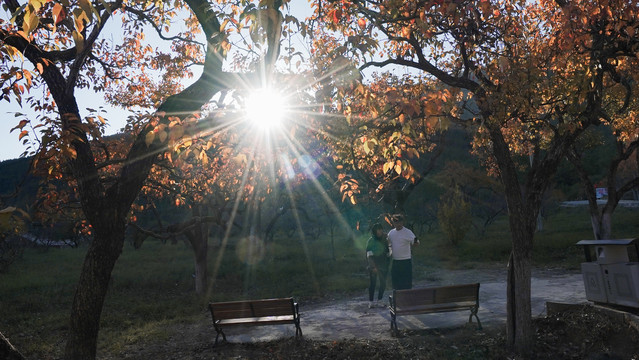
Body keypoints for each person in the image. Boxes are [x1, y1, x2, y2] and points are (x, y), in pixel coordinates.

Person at [388, 214, 419, 290]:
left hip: (405, 261)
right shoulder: (391, 233)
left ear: (402, 222)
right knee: (396, 283)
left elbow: (416, 242)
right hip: (396, 261)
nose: (398, 224)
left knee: (406, 283)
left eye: (399, 222)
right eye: (396, 222)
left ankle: (407, 299)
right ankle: (397, 300)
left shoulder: (408, 232)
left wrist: (415, 243)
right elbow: (388, 244)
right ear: (393, 223)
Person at [365, 223, 390, 308]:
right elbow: (369, 254)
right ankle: (371, 302)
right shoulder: (371, 240)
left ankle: (380, 300)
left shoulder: (385, 239)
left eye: (380, 229)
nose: (379, 231)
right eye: (377, 229)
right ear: (374, 231)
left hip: (383, 265)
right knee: (373, 283)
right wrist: (373, 266)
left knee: (383, 283)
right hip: (374, 266)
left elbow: (388, 251)